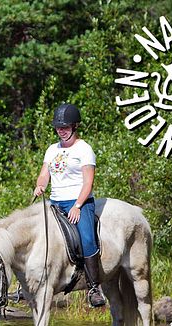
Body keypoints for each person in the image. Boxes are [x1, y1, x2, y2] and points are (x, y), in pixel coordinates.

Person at [33, 103, 105, 307]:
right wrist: (40, 186)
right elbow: (44, 174)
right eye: (58, 127)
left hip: (79, 202)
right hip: (55, 202)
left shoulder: (84, 149)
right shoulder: (51, 150)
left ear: (74, 126)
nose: (61, 130)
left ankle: (93, 288)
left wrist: (78, 206)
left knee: (87, 238)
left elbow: (88, 182)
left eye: (65, 127)